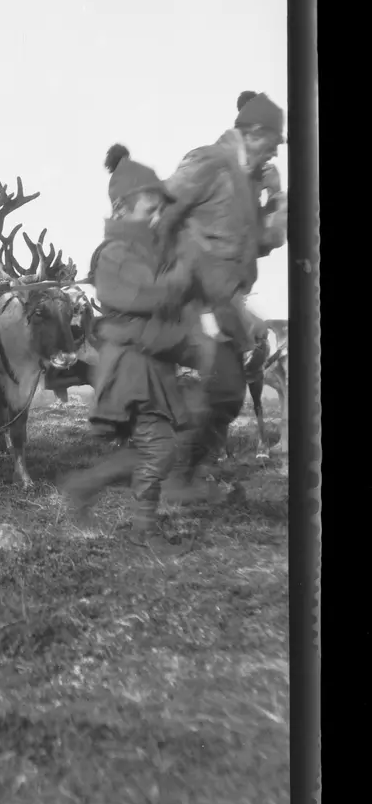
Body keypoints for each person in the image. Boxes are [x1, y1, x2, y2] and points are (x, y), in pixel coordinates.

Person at [56, 146, 198, 548]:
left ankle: (86, 487)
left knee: (157, 446)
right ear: (120, 210)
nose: (155, 219)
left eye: (158, 211)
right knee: (161, 447)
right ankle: (144, 531)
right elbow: (148, 303)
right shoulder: (115, 254)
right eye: (147, 211)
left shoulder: (142, 253)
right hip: (134, 368)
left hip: (148, 366)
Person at [157, 91, 287, 501]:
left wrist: (278, 202)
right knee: (220, 383)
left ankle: (189, 471)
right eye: (272, 143)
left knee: (230, 391)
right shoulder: (209, 161)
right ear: (253, 133)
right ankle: (176, 475)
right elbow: (161, 208)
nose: (274, 154)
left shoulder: (250, 183)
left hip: (224, 303)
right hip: (189, 296)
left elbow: (263, 242)